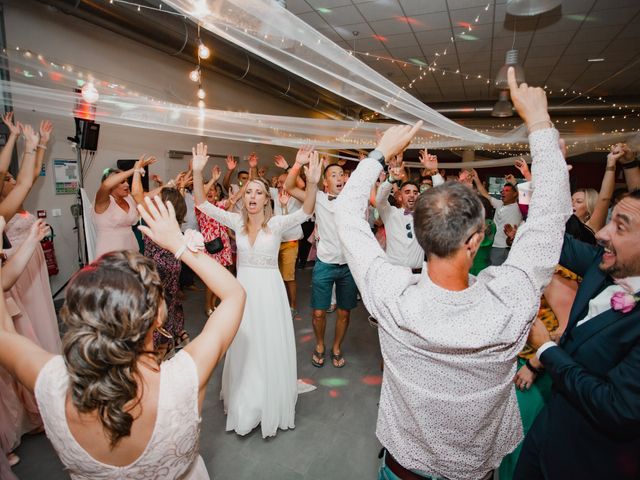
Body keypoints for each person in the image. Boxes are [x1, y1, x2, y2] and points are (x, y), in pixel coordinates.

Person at [335, 67, 571, 480]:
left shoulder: (391, 295)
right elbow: (551, 216)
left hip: (401, 471)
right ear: (476, 241)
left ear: (421, 235)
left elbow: (346, 215)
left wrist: (377, 155)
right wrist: (538, 122)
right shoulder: (510, 300)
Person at [0, 196, 246, 479]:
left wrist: (25, 245)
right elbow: (234, 295)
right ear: (158, 316)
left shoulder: (51, 383)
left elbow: (4, 332)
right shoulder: (184, 378)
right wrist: (178, 244)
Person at [193, 142, 321, 438]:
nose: (252, 196)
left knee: (268, 343)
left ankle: (268, 398)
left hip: (270, 293)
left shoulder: (276, 225)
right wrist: (198, 173)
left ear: (267, 199)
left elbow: (307, 210)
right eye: (248, 191)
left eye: (258, 192)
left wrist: (311, 181)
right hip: (242, 294)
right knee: (244, 343)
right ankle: (245, 399)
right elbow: (202, 204)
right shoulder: (235, 223)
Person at [515, 187, 640, 479]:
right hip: (544, 437)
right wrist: (550, 171)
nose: (602, 233)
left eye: (619, 227)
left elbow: (617, 408)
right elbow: (550, 239)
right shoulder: (601, 265)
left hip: (588, 461)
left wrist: (546, 352)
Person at [284, 150, 358, 368]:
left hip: (348, 266)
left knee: (344, 313)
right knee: (318, 312)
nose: (338, 178)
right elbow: (289, 187)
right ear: (326, 182)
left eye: (341, 174)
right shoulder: (319, 199)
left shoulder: (353, 200)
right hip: (325, 264)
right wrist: (297, 166)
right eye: (333, 175)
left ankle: (336, 347)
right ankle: (319, 345)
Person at [131, 163, 189, 351]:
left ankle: (156, 349)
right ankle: (170, 340)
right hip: (174, 265)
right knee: (169, 302)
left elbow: (136, 195)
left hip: (157, 268)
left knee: (156, 306)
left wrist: (137, 170)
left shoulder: (154, 221)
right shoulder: (174, 222)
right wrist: (175, 186)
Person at [374, 149, 443, 272]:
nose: (412, 195)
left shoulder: (425, 215)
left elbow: (441, 197)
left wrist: (434, 172)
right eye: (407, 192)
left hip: (417, 273)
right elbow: (380, 199)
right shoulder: (390, 213)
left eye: (415, 193)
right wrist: (390, 180)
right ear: (400, 196)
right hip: (394, 271)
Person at [93, 156, 155, 257]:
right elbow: (105, 186)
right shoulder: (102, 201)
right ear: (112, 185)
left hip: (132, 251)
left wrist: (173, 183)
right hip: (110, 255)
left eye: (127, 181)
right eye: (122, 182)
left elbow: (151, 195)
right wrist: (135, 169)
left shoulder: (129, 198)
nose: (127, 184)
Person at [473, 171, 522, 266]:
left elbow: (525, 195)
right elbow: (484, 194)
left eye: (507, 191)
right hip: (493, 245)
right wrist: (476, 179)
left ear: (515, 194)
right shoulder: (499, 204)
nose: (503, 192)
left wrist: (514, 183)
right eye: (502, 191)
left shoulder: (518, 206)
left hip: (505, 247)